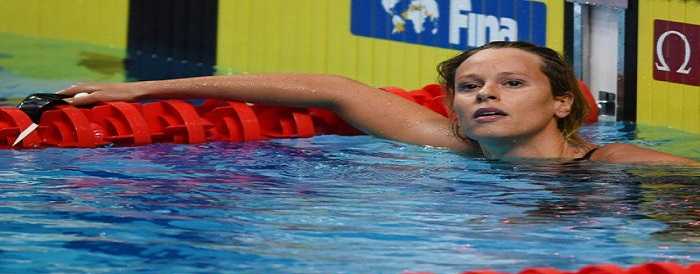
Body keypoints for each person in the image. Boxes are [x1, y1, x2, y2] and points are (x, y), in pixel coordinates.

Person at [58, 41, 697, 165]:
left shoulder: (613, 162)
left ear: (563, 104)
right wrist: (141, 90)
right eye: (470, 88)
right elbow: (334, 89)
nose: (485, 96)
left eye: (510, 83)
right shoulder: (453, 145)